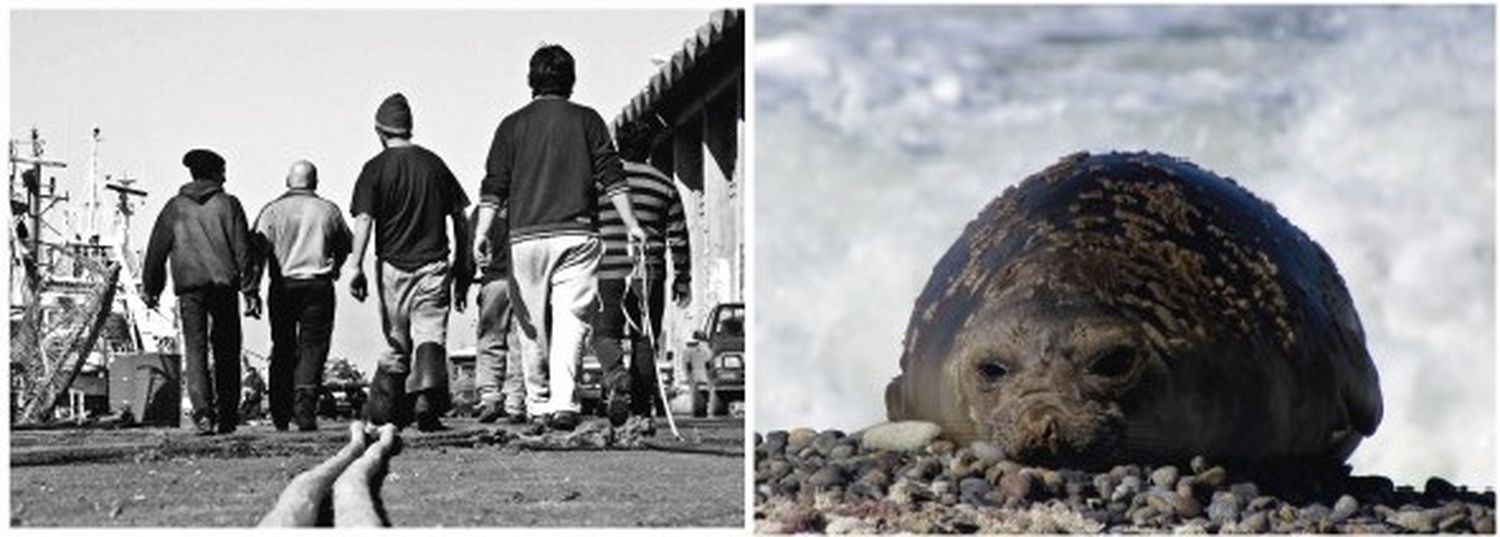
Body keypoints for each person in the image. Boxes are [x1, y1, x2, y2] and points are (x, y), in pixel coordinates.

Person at [473, 44, 646, 431]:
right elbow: (612, 176)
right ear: (571, 80)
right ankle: (564, 403)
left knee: (530, 323)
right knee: (572, 320)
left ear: (531, 81)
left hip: (525, 238)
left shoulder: (510, 125)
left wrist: (482, 232)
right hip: (577, 234)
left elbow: (494, 186)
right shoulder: (588, 121)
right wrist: (632, 224)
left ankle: (536, 403)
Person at [346, 93, 472, 432]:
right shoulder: (434, 164)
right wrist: (465, 262)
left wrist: (355, 265)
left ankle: (385, 410)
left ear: (379, 131)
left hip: (392, 268)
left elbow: (364, 220)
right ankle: (426, 400)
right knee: (431, 331)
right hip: (434, 264)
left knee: (396, 338)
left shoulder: (374, 169)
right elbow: (461, 219)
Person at [142, 148, 256, 435]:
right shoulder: (229, 205)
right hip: (224, 287)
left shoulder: (175, 208)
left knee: (196, 350)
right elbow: (243, 250)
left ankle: (203, 414)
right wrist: (250, 290)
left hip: (190, 289)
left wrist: (151, 289)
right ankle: (228, 415)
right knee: (227, 350)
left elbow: (156, 251)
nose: (226, 177)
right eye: (224, 171)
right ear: (217, 173)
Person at [593, 118, 690, 426]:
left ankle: (616, 374)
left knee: (603, 334)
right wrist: (683, 278)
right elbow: (678, 236)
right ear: (649, 146)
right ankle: (641, 411)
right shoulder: (664, 185)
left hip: (607, 270)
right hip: (649, 272)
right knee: (644, 339)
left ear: (618, 143)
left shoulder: (600, 183)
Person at [248, 160, 353, 431]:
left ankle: (280, 413)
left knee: (282, 347)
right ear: (315, 181)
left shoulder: (270, 212)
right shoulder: (328, 210)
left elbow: (256, 254)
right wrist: (337, 267)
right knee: (313, 348)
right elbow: (345, 244)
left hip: (282, 285)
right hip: (318, 285)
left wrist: (252, 290)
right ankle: (305, 410)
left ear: (287, 180)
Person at [470, 205, 526, 423]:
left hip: (493, 282)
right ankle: (516, 401)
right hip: (523, 282)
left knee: (490, 340)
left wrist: (463, 283)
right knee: (519, 344)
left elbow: (471, 250)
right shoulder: (526, 204)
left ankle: (490, 396)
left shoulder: (482, 213)